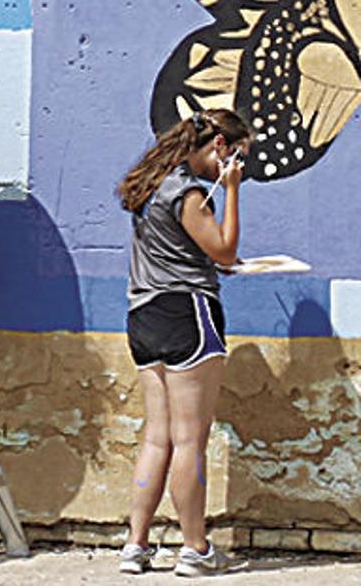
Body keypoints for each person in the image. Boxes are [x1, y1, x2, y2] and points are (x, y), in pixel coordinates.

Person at [116, 108, 251, 577]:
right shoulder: (189, 191)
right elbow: (225, 251)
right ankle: (195, 547)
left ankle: (136, 544)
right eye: (236, 157)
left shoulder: (152, 185)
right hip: (187, 313)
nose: (237, 168)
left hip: (144, 315)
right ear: (219, 147)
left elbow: (191, 247)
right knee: (190, 440)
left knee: (159, 437)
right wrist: (230, 191)